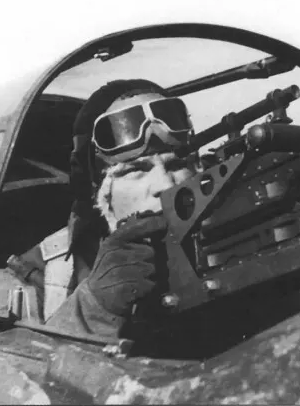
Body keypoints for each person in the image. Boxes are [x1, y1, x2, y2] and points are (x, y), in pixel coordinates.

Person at [45, 79, 196, 339]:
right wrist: (95, 309)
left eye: (176, 165)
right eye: (136, 170)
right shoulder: (38, 279)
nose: (165, 185)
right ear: (100, 194)